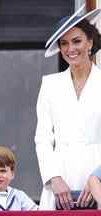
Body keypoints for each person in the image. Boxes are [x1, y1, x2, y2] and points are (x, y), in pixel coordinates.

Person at [35, 5, 101, 210]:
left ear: (90, 42)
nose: (70, 49)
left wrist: (98, 178)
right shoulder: (50, 84)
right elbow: (43, 137)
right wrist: (54, 178)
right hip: (59, 180)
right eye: (64, 43)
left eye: (77, 41)